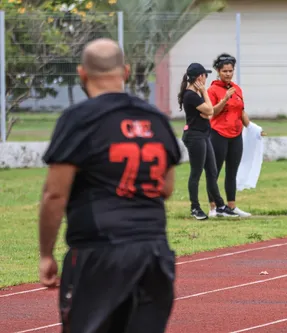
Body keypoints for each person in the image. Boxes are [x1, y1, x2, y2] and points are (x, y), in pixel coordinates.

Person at [37, 38, 181, 333]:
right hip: (154, 252)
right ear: (126, 71)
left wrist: (46, 254)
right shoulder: (155, 118)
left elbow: (55, 194)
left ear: (82, 74)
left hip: (99, 252)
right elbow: (166, 188)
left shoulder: (79, 119)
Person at [178, 62, 238, 220]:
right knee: (196, 173)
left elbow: (208, 114)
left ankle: (220, 206)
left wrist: (209, 105)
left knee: (212, 172)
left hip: (204, 135)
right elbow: (210, 111)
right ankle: (195, 208)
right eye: (205, 75)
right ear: (199, 77)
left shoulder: (195, 95)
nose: (206, 78)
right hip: (195, 137)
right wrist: (205, 92)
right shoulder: (191, 95)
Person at [206, 53, 256, 218]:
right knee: (215, 171)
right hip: (218, 134)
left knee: (232, 171)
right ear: (218, 71)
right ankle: (213, 207)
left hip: (236, 135)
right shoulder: (212, 90)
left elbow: (241, 111)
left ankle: (232, 206)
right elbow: (212, 112)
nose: (228, 74)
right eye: (224, 71)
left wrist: (252, 128)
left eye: (230, 70)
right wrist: (225, 99)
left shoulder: (237, 89)